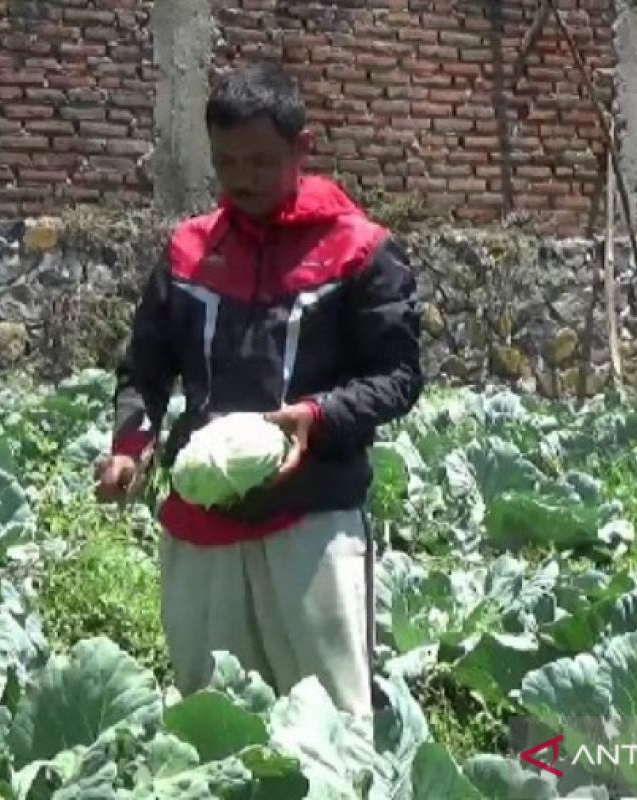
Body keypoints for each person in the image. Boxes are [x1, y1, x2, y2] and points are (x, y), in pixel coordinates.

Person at [94, 61, 424, 719]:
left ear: (302, 149)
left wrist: (317, 416)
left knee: (329, 714)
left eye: (259, 161)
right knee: (212, 710)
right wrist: (131, 446)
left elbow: (399, 377)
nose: (240, 179)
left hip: (313, 515)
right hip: (201, 512)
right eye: (226, 163)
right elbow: (146, 370)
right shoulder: (188, 250)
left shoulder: (360, 251)